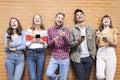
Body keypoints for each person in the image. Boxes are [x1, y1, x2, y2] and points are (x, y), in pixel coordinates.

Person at [70, 9, 96, 80]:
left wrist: (93, 56)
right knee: (81, 78)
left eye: (81, 14)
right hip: (77, 58)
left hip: (89, 57)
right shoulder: (72, 29)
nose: (79, 16)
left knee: (87, 78)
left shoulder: (90, 28)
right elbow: (70, 44)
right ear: (75, 18)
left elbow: (94, 43)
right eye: (77, 15)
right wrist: (78, 42)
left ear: (84, 16)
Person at [46, 12, 70, 80]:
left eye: (62, 18)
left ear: (63, 20)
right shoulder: (50, 30)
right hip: (54, 56)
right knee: (49, 74)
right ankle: (56, 77)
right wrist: (53, 40)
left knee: (63, 78)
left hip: (64, 56)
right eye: (59, 18)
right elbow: (48, 44)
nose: (60, 19)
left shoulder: (66, 30)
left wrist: (64, 36)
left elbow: (69, 43)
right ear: (55, 19)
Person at [96, 15, 118, 80]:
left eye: (108, 19)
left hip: (110, 52)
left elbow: (116, 44)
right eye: (104, 19)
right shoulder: (99, 31)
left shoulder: (114, 30)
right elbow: (96, 44)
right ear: (102, 22)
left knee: (109, 78)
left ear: (110, 21)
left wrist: (108, 41)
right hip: (100, 52)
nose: (106, 20)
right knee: (100, 76)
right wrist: (98, 36)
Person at [26, 14, 48, 80]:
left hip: (40, 54)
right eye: (35, 18)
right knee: (33, 78)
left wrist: (42, 41)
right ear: (33, 20)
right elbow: (27, 44)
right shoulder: (29, 31)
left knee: (39, 77)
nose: (37, 19)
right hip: (30, 54)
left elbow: (45, 46)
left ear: (41, 21)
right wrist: (32, 40)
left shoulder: (44, 32)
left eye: (39, 18)